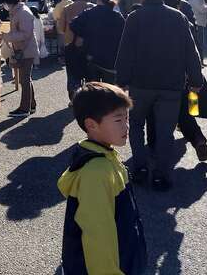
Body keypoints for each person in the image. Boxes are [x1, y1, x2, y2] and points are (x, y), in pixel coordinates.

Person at [115, 0, 203, 191]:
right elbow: (191, 52)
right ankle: (162, 175)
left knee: (136, 125)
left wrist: (121, 81)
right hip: (171, 84)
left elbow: (125, 52)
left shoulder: (135, 17)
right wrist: (195, 80)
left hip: (140, 83)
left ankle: (140, 167)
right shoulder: (178, 17)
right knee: (166, 130)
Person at [58, 82, 147, 275]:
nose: (127, 126)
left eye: (127, 118)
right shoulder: (96, 173)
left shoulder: (106, 156)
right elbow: (97, 237)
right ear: (91, 125)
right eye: (118, 120)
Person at [156, 0, 207, 162]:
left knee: (170, 112)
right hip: (188, 76)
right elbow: (194, 52)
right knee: (190, 109)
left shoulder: (155, 23)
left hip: (164, 78)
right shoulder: (185, 21)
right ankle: (198, 139)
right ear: (178, 5)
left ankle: (170, 142)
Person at [0, 0, 39, 117]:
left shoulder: (22, 12)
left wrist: (6, 36)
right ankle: (31, 105)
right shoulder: (18, 11)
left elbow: (24, 34)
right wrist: (7, 35)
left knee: (24, 80)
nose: (3, 6)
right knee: (26, 79)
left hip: (26, 49)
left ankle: (24, 108)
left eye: (3, 2)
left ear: (9, 1)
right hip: (24, 49)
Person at [69, 0, 125, 85]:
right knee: (110, 90)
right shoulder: (117, 16)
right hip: (111, 59)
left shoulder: (89, 13)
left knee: (93, 89)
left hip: (91, 56)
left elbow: (73, 24)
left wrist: (84, 34)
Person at [61, 0, 95, 100]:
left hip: (70, 44)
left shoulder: (67, 9)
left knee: (72, 73)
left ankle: (74, 98)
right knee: (89, 72)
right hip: (89, 45)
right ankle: (89, 96)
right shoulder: (93, 8)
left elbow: (61, 28)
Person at [53, 0, 74, 65]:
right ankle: (70, 58)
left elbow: (55, 17)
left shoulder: (59, 5)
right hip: (71, 26)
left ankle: (62, 59)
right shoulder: (72, 3)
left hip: (61, 27)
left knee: (61, 44)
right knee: (70, 43)